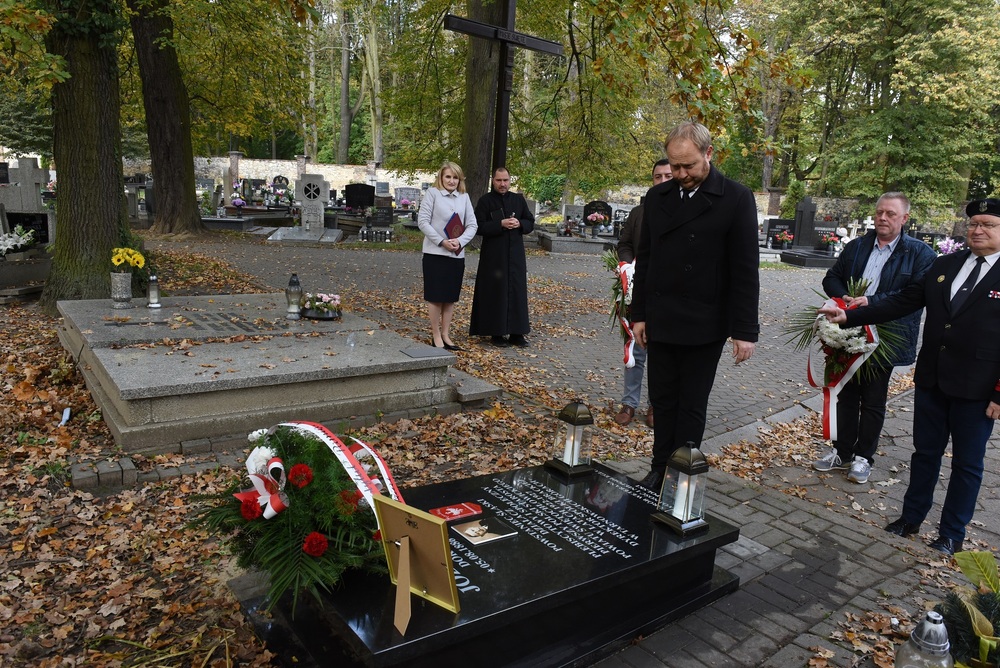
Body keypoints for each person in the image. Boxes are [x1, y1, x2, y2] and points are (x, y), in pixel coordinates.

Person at [819, 198, 1000, 555]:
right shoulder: (945, 264)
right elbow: (904, 300)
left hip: (978, 387)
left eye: (988, 225)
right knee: (925, 453)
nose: (978, 230)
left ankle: (951, 533)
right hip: (933, 378)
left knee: (967, 464)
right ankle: (911, 517)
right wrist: (850, 316)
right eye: (974, 224)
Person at [631, 122, 760, 490]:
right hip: (663, 317)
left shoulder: (735, 198)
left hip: (706, 319)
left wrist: (745, 331)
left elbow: (745, 269)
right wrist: (638, 314)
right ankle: (659, 467)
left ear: (708, 154)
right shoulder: (657, 199)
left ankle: (681, 472)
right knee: (662, 398)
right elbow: (647, 258)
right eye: (675, 166)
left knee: (691, 403)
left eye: (688, 166)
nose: (681, 174)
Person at [813, 193, 936, 484]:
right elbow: (832, 277)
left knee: (872, 399)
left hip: (885, 335)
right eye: (880, 212)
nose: (883, 218)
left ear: (904, 218)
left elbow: (913, 296)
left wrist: (871, 301)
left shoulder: (921, 254)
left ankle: (862, 457)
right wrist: (844, 297)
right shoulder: (857, 246)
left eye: (891, 214)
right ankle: (841, 451)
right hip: (848, 328)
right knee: (845, 393)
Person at [614, 159, 673, 427]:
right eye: (658, 177)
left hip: (669, 296)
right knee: (635, 348)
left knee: (662, 354)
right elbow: (625, 243)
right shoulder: (639, 212)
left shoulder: (683, 211)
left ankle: (656, 405)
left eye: (668, 176)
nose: (663, 181)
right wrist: (627, 266)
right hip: (637, 290)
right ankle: (629, 403)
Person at [469, 167, 535, 347]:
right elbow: (478, 227)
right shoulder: (485, 201)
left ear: (510, 181)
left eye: (505, 180)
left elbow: (530, 222)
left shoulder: (518, 200)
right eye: (499, 180)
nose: (502, 184)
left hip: (515, 256)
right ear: (493, 181)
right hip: (493, 256)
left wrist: (519, 223)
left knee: (516, 292)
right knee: (495, 292)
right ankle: (496, 333)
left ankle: (517, 333)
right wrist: (500, 224)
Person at [416, 161, 479, 350]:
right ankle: (435, 335)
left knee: (450, 297)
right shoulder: (433, 194)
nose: (451, 181)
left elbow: (472, 225)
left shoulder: (464, 197)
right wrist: (442, 241)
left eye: (455, 177)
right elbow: (423, 222)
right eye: (448, 177)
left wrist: (460, 241)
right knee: (436, 296)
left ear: (460, 180)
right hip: (435, 253)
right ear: (441, 178)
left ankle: (446, 334)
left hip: (456, 255)